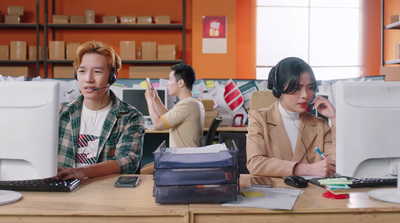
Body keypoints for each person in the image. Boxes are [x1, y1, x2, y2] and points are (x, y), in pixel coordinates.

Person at [57, 41, 145, 181]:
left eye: (97, 72)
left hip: (107, 195)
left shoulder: (129, 116)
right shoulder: (60, 113)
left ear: (113, 77)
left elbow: (128, 160)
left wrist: (82, 172)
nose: (88, 79)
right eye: (82, 71)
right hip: (63, 194)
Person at [246, 57, 336, 177]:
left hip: (311, 194)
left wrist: (335, 119)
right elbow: (255, 164)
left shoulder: (320, 125)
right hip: (274, 193)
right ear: (279, 90)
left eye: (310, 88)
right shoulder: (259, 119)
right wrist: (307, 169)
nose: (305, 95)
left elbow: (336, 165)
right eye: (296, 88)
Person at [145, 63, 205, 148]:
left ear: (180, 83)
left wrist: (149, 100)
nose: (167, 84)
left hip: (183, 158)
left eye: (170, 79)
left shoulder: (187, 105)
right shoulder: (192, 102)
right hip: (186, 156)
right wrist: (155, 98)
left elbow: (157, 125)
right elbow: (166, 117)